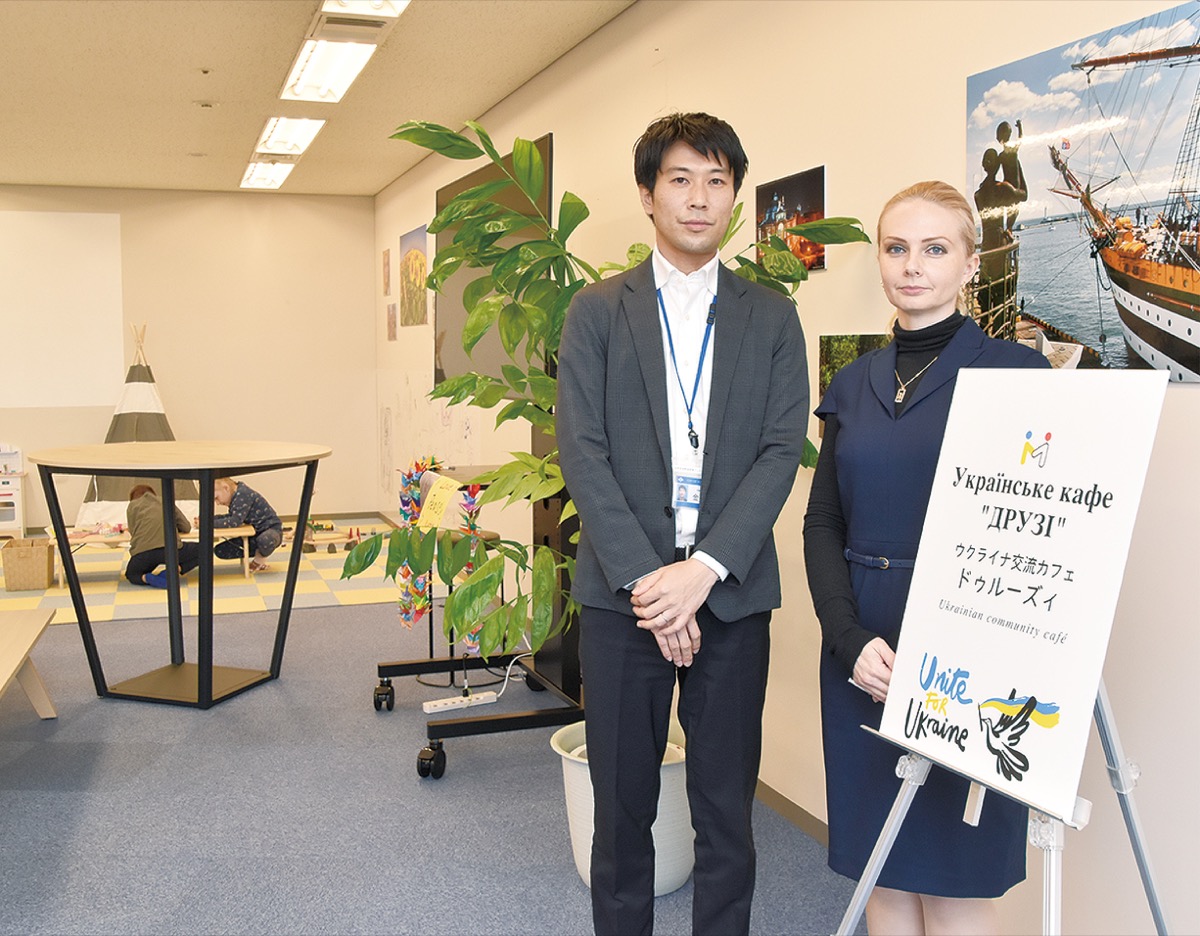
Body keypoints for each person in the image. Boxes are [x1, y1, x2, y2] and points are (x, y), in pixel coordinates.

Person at [557, 112, 808, 936]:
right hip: (622, 599)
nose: (699, 199)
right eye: (680, 180)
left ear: (734, 197)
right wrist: (650, 584)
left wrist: (701, 572)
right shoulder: (597, 311)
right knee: (621, 810)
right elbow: (582, 450)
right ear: (647, 195)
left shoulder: (771, 318)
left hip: (730, 596)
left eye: (716, 182)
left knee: (727, 812)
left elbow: (780, 451)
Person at [803, 181, 1050, 936]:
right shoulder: (852, 382)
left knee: (952, 886)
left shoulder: (1016, 373)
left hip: (967, 650)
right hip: (862, 650)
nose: (912, 265)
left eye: (935, 248)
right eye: (897, 248)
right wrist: (847, 640)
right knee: (881, 873)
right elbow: (823, 522)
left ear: (971, 264)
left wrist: (964, 651)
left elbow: (1035, 534)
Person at [125, 483, 201, 588]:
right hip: (170, 550)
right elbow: (186, 527)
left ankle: (147, 578)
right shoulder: (165, 501)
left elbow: (133, 532)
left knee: (131, 574)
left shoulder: (131, 506)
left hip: (143, 553)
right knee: (204, 550)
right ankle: (173, 571)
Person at [212, 477, 283, 572]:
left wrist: (208, 523)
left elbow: (234, 521)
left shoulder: (243, 494)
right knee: (220, 550)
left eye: (216, 498)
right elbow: (231, 517)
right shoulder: (235, 497)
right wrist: (209, 519)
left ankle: (259, 559)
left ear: (226, 488)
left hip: (272, 531)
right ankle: (258, 550)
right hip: (254, 535)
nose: (217, 503)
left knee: (265, 540)